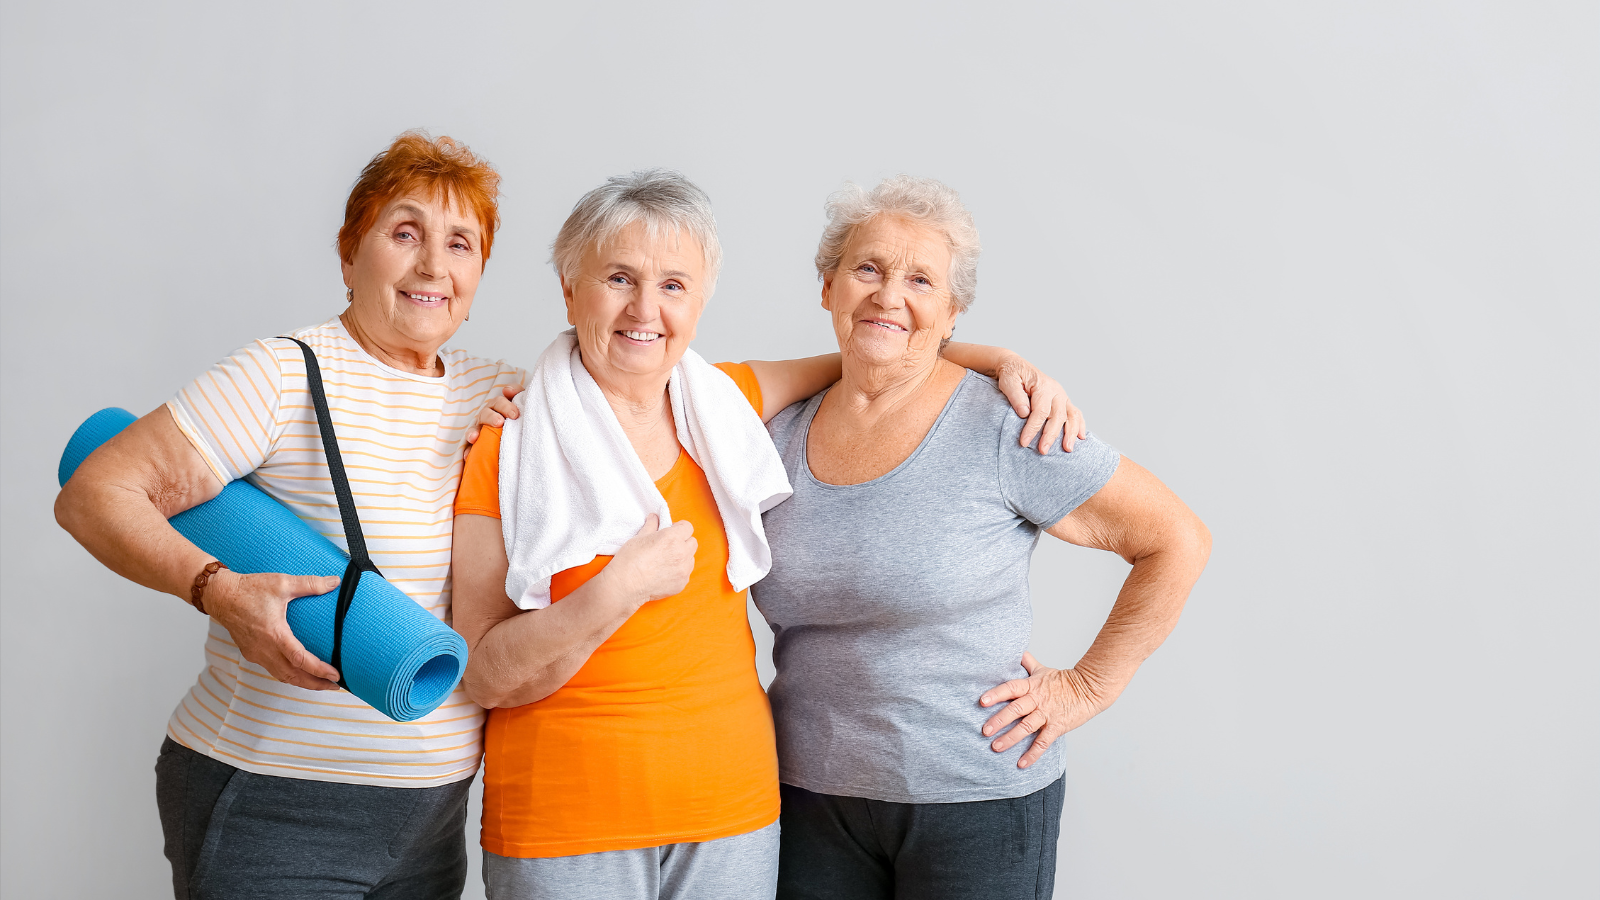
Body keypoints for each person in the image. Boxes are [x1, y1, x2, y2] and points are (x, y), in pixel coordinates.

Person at [451, 169, 1081, 900]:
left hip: (735, 817)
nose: (644, 309)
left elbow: (873, 353)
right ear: (570, 288)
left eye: (674, 285)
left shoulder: (722, 406)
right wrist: (612, 594)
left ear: (702, 297)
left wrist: (997, 360)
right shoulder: (511, 444)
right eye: (618, 278)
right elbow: (484, 672)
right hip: (565, 817)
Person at [54, 131, 526, 900]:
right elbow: (95, 494)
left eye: (460, 243)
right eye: (404, 233)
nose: (434, 265)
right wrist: (218, 589)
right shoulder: (284, 375)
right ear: (350, 255)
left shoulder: (501, 392)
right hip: (274, 805)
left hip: (434, 818)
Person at [752, 175, 1212, 900]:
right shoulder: (773, 436)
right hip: (804, 800)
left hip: (976, 804)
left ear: (951, 310)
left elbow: (1176, 539)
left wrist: (1087, 688)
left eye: (920, 280)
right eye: (867, 268)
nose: (887, 295)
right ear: (828, 286)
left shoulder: (1006, 423)